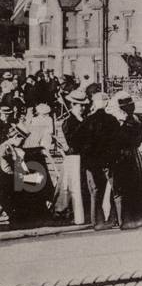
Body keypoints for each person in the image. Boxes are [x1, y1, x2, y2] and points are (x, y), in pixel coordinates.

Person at [106, 92, 142, 229]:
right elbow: (137, 139)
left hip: (123, 156)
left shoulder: (122, 121)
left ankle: (123, 217)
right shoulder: (137, 119)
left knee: (122, 187)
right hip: (134, 156)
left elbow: (118, 139)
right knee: (138, 186)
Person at [54, 89, 92, 224]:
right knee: (72, 186)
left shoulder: (85, 119)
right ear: (72, 105)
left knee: (85, 185)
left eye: (83, 105)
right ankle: (70, 214)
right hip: (74, 158)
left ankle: (86, 212)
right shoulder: (69, 122)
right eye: (78, 105)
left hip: (85, 157)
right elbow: (73, 141)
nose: (82, 108)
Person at [81, 91, 118, 227]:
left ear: (94, 104)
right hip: (109, 159)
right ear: (107, 103)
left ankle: (98, 221)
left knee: (96, 191)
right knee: (115, 190)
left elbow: (76, 140)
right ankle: (116, 218)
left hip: (92, 161)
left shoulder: (88, 121)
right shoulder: (112, 120)